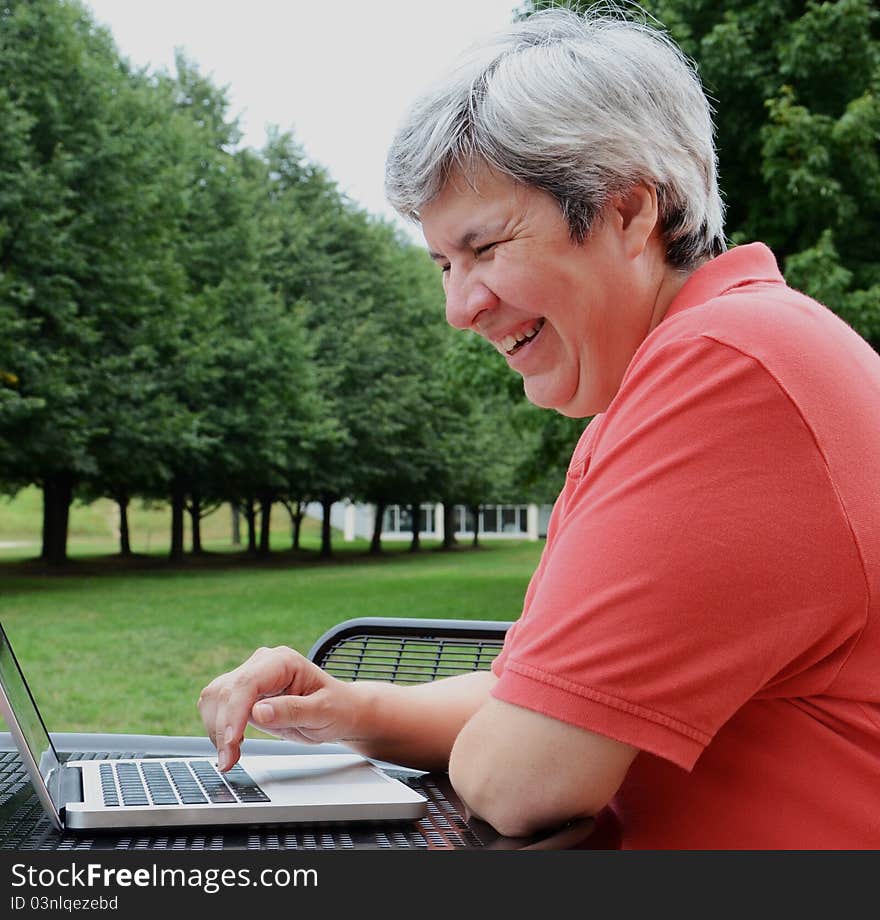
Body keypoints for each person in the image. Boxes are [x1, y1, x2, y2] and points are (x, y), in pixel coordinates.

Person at [198, 6, 880, 848]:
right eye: (444, 263)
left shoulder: (728, 373)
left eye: (485, 248)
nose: (458, 307)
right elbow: (545, 697)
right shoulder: (707, 362)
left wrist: (515, 726)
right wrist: (346, 709)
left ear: (629, 210)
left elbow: (525, 777)